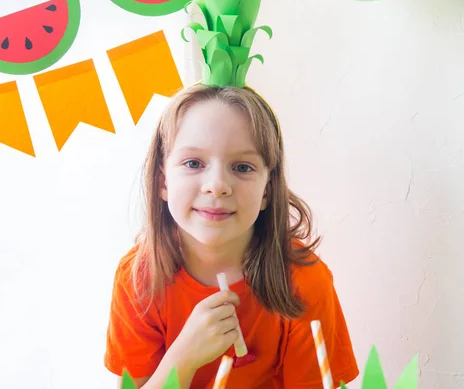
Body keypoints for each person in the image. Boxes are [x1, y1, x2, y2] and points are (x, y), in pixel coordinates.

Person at [104, 84, 359, 389]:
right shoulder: (138, 279)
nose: (217, 185)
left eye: (242, 167)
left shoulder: (304, 282)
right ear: (163, 182)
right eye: (193, 163)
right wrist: (182, 359)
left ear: (266, 191)